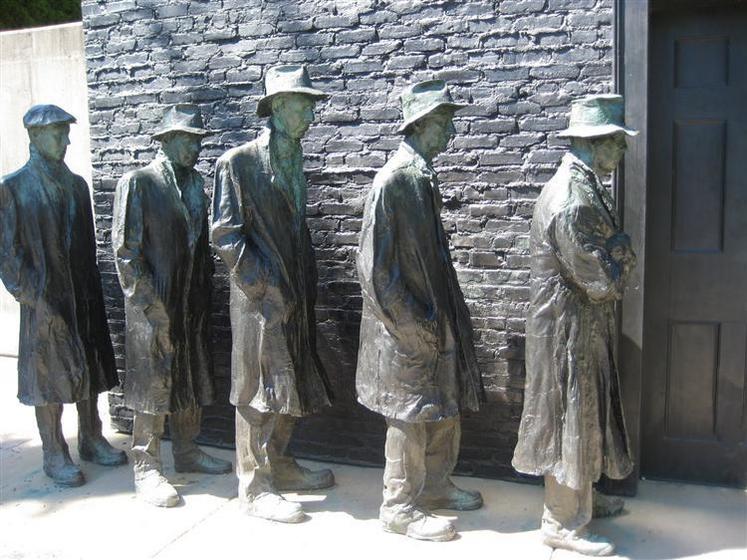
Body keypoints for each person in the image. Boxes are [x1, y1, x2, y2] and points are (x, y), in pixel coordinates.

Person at [356, 80, 485, 542]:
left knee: (444, 405)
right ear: (423, 125)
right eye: (445, 122)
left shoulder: (421, 174)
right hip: (407, 327)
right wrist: (413, 326)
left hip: (434, 318)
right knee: (409, 415)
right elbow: (375, 268)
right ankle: (399, 505)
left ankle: (435, 485)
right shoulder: (395, 180)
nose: (451, 131)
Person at [512, 94, 638, 556]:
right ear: (597, 142)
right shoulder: (573, 199)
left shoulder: (587, 185)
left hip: (581, 327)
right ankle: (561, 521)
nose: (622, 153)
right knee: (570, 416)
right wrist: (624, 253)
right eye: (618, 144)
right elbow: (602, 280)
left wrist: (617, 251)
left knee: (587, 414)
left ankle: (583, 495)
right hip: (569, 332)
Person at [211, 65, 334, 523]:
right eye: (303, 105)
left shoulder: (295, 157)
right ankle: (255, 484)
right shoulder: (238, 163)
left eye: (310, 106)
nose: (310, 114)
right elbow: (225, 235)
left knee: (292, 380)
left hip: (295, 292)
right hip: (258, 298)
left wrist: (299, 284)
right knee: (256, 391)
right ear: (279, 108)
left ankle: (280, 462)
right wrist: (268, 285)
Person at [0, 104, 127, 487]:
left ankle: (91, 437)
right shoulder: (13, 187)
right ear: (34, 136)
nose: (66, 140)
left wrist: (93, 292)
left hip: (83, 296)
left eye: (66, 132)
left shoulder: (77, 186)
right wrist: (33, 296)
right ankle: (54, 452)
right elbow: (8, 253)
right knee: (48, 379)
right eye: (58, 133)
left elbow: (86, 246)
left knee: (90, 368)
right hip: (43, 300)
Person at [113, 104, 232, 508]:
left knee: (190, 377)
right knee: (153, 386)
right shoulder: (139, 183)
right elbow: (126, 254)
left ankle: (187, 449)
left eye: (197, 142)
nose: (194, 149)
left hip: (191, 300)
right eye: (187, 140)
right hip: (153, 305)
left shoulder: (197, 184)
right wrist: (151, 307)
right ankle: (146, 465)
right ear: (165, 141)